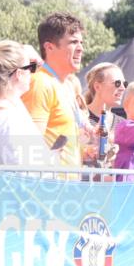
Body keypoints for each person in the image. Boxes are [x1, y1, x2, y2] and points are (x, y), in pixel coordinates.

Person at [0, 41, 51, 166]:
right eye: (31, 68)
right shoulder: (9, 120)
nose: (33, 73)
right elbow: (28, 176)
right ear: (19, 74)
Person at [21, 12, 85, 168]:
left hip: (68, 187)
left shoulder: (67, 85)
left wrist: (86, 151)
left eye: (81, 43)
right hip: (49, 187)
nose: (80, 49)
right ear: (49, 47)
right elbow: (31, 146)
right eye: (73, 42)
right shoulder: (40, 83)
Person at [83, 62, 127, 166]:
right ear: (97, 87)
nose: (122, 88)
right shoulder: (81, 117)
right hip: (84, 181)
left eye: (124, 84)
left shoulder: (122, 123)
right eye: (117, 83)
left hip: (112, 182)